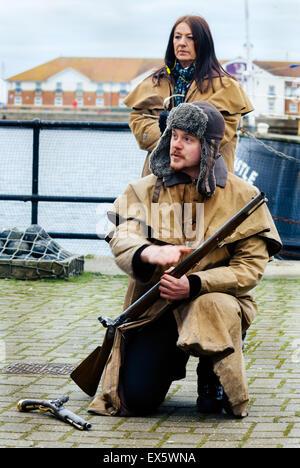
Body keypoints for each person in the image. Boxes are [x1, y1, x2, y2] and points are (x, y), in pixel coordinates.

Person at [88, 102, 281, 419]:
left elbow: (249, 270)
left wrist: (195, 284)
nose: (175, 144)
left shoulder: (244, 196)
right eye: (173, 135)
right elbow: (123, 234)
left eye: (187, 138)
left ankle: (212, 372)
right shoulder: (143, 189)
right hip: (155, 308)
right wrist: (145, 252)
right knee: (136, 399)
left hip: (214, 305)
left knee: (211, 305)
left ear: (208, 147)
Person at [123, 15, 253, 176]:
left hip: (205, 185)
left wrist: (169, 132)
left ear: (204, 43)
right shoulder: (155, 82)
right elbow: (140, 125)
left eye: (190, 38)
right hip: (159, 185)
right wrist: (181, 136)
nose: (182, 43)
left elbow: (217, 136)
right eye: (177, 37)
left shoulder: (225, 87)